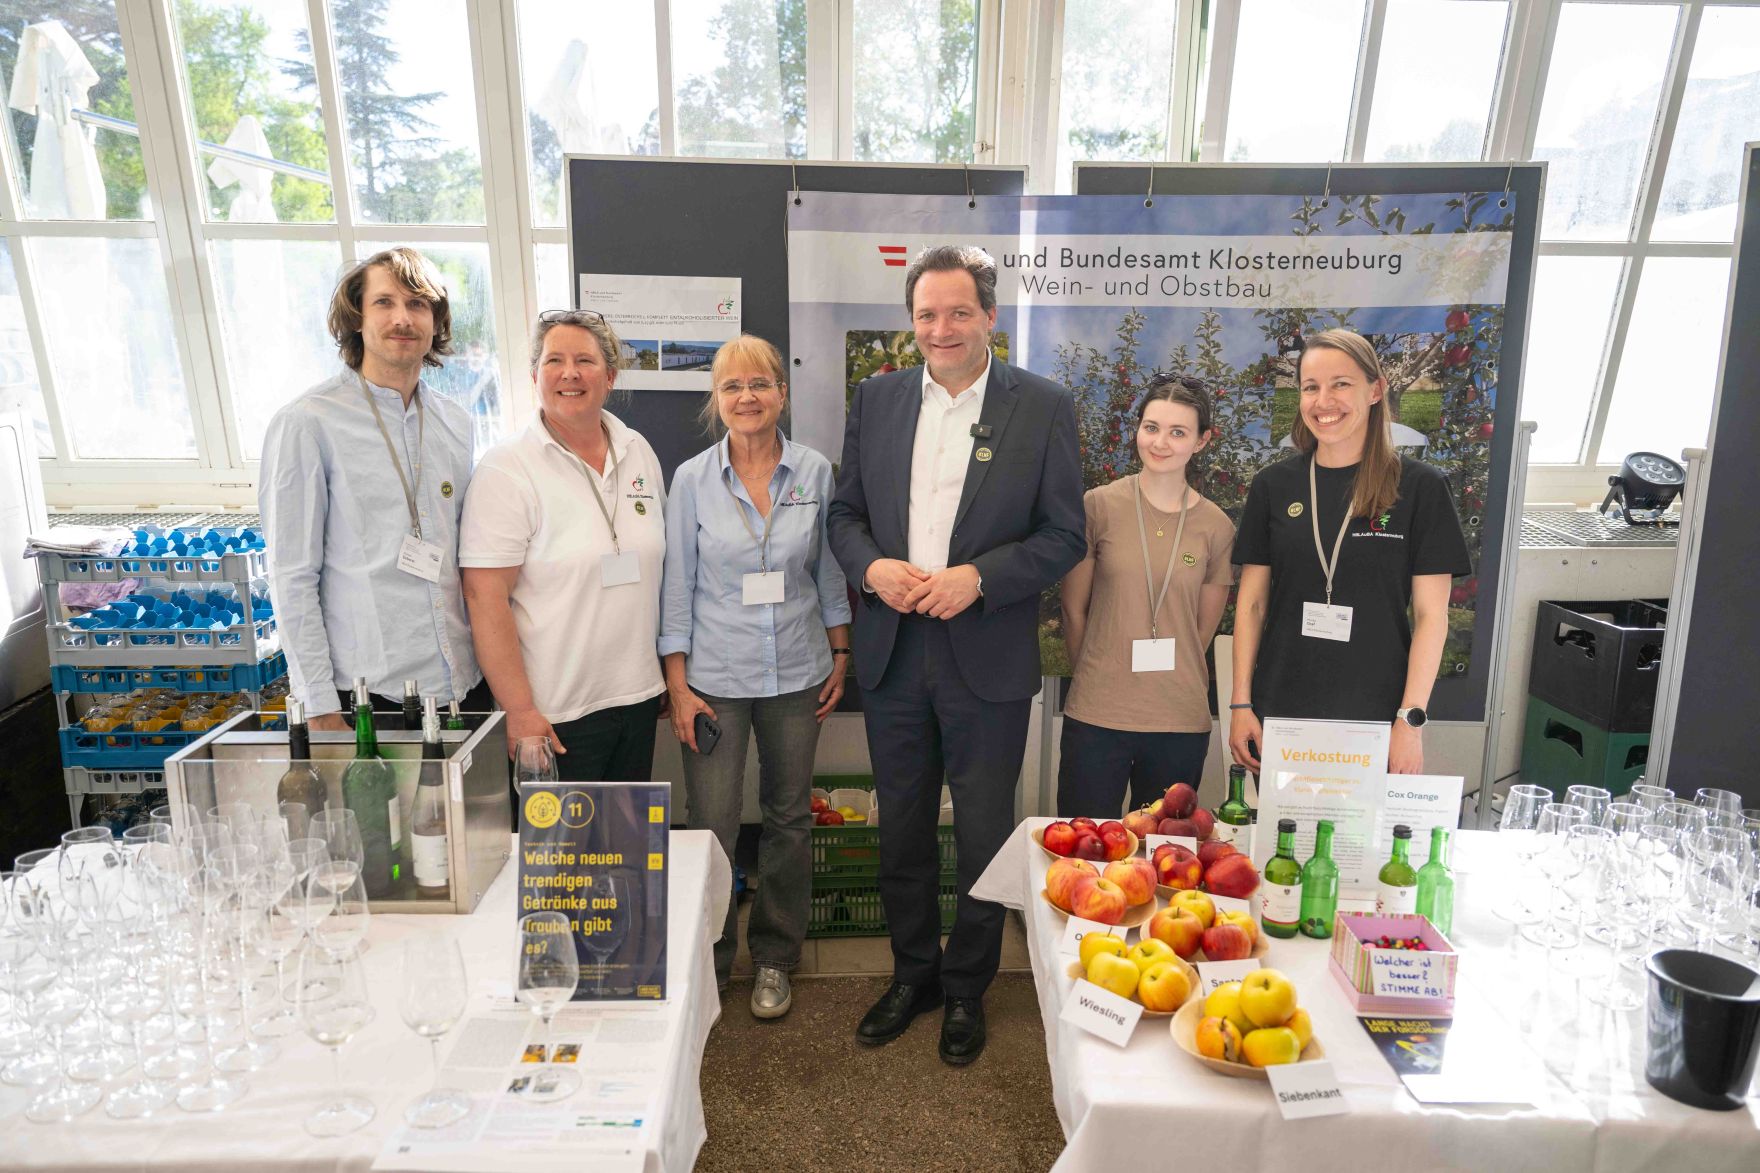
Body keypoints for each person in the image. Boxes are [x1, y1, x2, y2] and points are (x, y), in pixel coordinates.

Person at [827, 245, 1085, 1065]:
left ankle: (968, 986)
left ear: (990, 318)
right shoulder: (877, 397)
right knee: (900, 828)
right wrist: (869, 566)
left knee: (982, 832)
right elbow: (844, 514)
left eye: (959, 312)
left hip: (988, 655)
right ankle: (914, 974)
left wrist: (980, 577)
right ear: (912, 322)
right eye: (927, 314)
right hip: (896, 650)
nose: (942, 328)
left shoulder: (1042, 406)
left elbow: (1065, 534)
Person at [659, 334, 852, 1019]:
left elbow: (827, 567)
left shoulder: (813, 473)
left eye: (759, 384)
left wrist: (841, 651)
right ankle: (707, 960)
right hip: (714, 676)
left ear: (782, 392)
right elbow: (676, 585)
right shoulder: (690, 480)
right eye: (731, 386)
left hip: (798, 670)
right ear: (718, 399)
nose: (747, 397)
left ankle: (774, 957)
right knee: (710, 821)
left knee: (788, 818)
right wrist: (676, 683)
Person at [259, 246, 489, 730]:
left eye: (418, 304)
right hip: (365, 698)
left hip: (462, 687)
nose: (403, 318)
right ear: (356, 318)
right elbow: (292, 575)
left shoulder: (456, 421)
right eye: (385, 302)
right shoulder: (307, 423)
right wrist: (319, 704)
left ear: (435, 322)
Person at [1227, 329, 1472, 776]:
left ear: (1375, 389)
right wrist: (1241, 703)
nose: (1324, 401)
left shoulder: (1420, 488)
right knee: (1283, 845)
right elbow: (1253, 603)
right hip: (1282, 709)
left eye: (1341, 383)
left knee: (1363, 845)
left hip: (1377, 715)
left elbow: (1433, 617)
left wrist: (1410, 720)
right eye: (1310, 387)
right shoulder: (1273, 486)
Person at [459, 310, 667, 778]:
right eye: (554, 360)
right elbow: (483, 596)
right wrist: (520, 710)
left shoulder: (638, 450)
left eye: (585, 361)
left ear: (610, 376)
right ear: (534, 375)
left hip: (637, 699)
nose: (570, 373)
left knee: (624, 849)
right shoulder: (507, 468)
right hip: (554, 715)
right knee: (563, 851)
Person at [1059, 375, 1235, 817]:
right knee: (1082, 849)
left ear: (1201, 442)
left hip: (1177, 718)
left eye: (1178, 432)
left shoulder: (1216, 527)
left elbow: (1201, 631)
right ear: (1137, 429)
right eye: (1151, 427)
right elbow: (1073, 609)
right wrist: (1095, 676)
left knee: (1161, 854)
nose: (1160, 442)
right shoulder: (1097, 506)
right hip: (1098, 715)